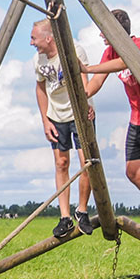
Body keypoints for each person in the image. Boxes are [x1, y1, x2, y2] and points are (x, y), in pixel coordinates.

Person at [84, 9, 140, 244]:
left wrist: (87, 68)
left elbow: (126, 61)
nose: (102, 35)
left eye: (104, 30)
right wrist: (79, 92)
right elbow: (95, 83)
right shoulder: (108, 53)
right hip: (137, 122)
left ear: (115, 29)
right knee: (134, 173)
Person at [30, 18, 95, 238]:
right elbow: (40, 88)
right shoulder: (37, 60)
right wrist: (45, 120)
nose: (32, 43)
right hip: (56, 116)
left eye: (34, 38)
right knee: (61, 163)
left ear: (48, 38)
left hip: (78, 112)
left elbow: (84, 77)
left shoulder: (74, 50)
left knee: (86, 162)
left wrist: (86, 103)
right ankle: (65, 217)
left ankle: (82, 211)